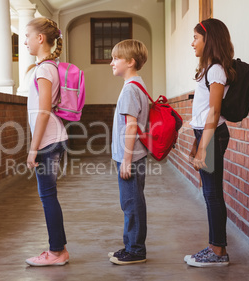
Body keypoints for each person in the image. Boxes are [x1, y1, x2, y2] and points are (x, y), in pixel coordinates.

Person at [185, 18, 234, 267]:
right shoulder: (207, 70)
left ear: (209, 40)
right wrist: (196, 144)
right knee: (209, 192)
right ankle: (215, 246)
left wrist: (203, 146)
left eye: (196, 38)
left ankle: (218, 251)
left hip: (213, 135)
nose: (192, 42)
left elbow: (214, 112)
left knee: (213, 194)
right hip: (205, 134)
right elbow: (202, 113)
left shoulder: (216, 70)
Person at [24, 17, 69, 267]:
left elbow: (43, 112)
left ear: (40, 38)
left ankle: (56, 252)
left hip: (48, 141)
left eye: (28, 37)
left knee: (48, 196)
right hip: (53, 138)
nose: (26, 42)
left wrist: (33, 149)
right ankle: (57, 249)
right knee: (49, 195)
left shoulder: (44, 69)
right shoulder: (49, 66)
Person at [108, 39, 149, 265]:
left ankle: (136, 250)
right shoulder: (135, 86)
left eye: (116, 58)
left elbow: (131, 126)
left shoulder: (130, 90)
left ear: (131, 62)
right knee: (130, 202)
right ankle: (130, 246)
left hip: (130, 157)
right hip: (133, 156)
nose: (111, 62)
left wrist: (125, 160)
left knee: (132, 203)